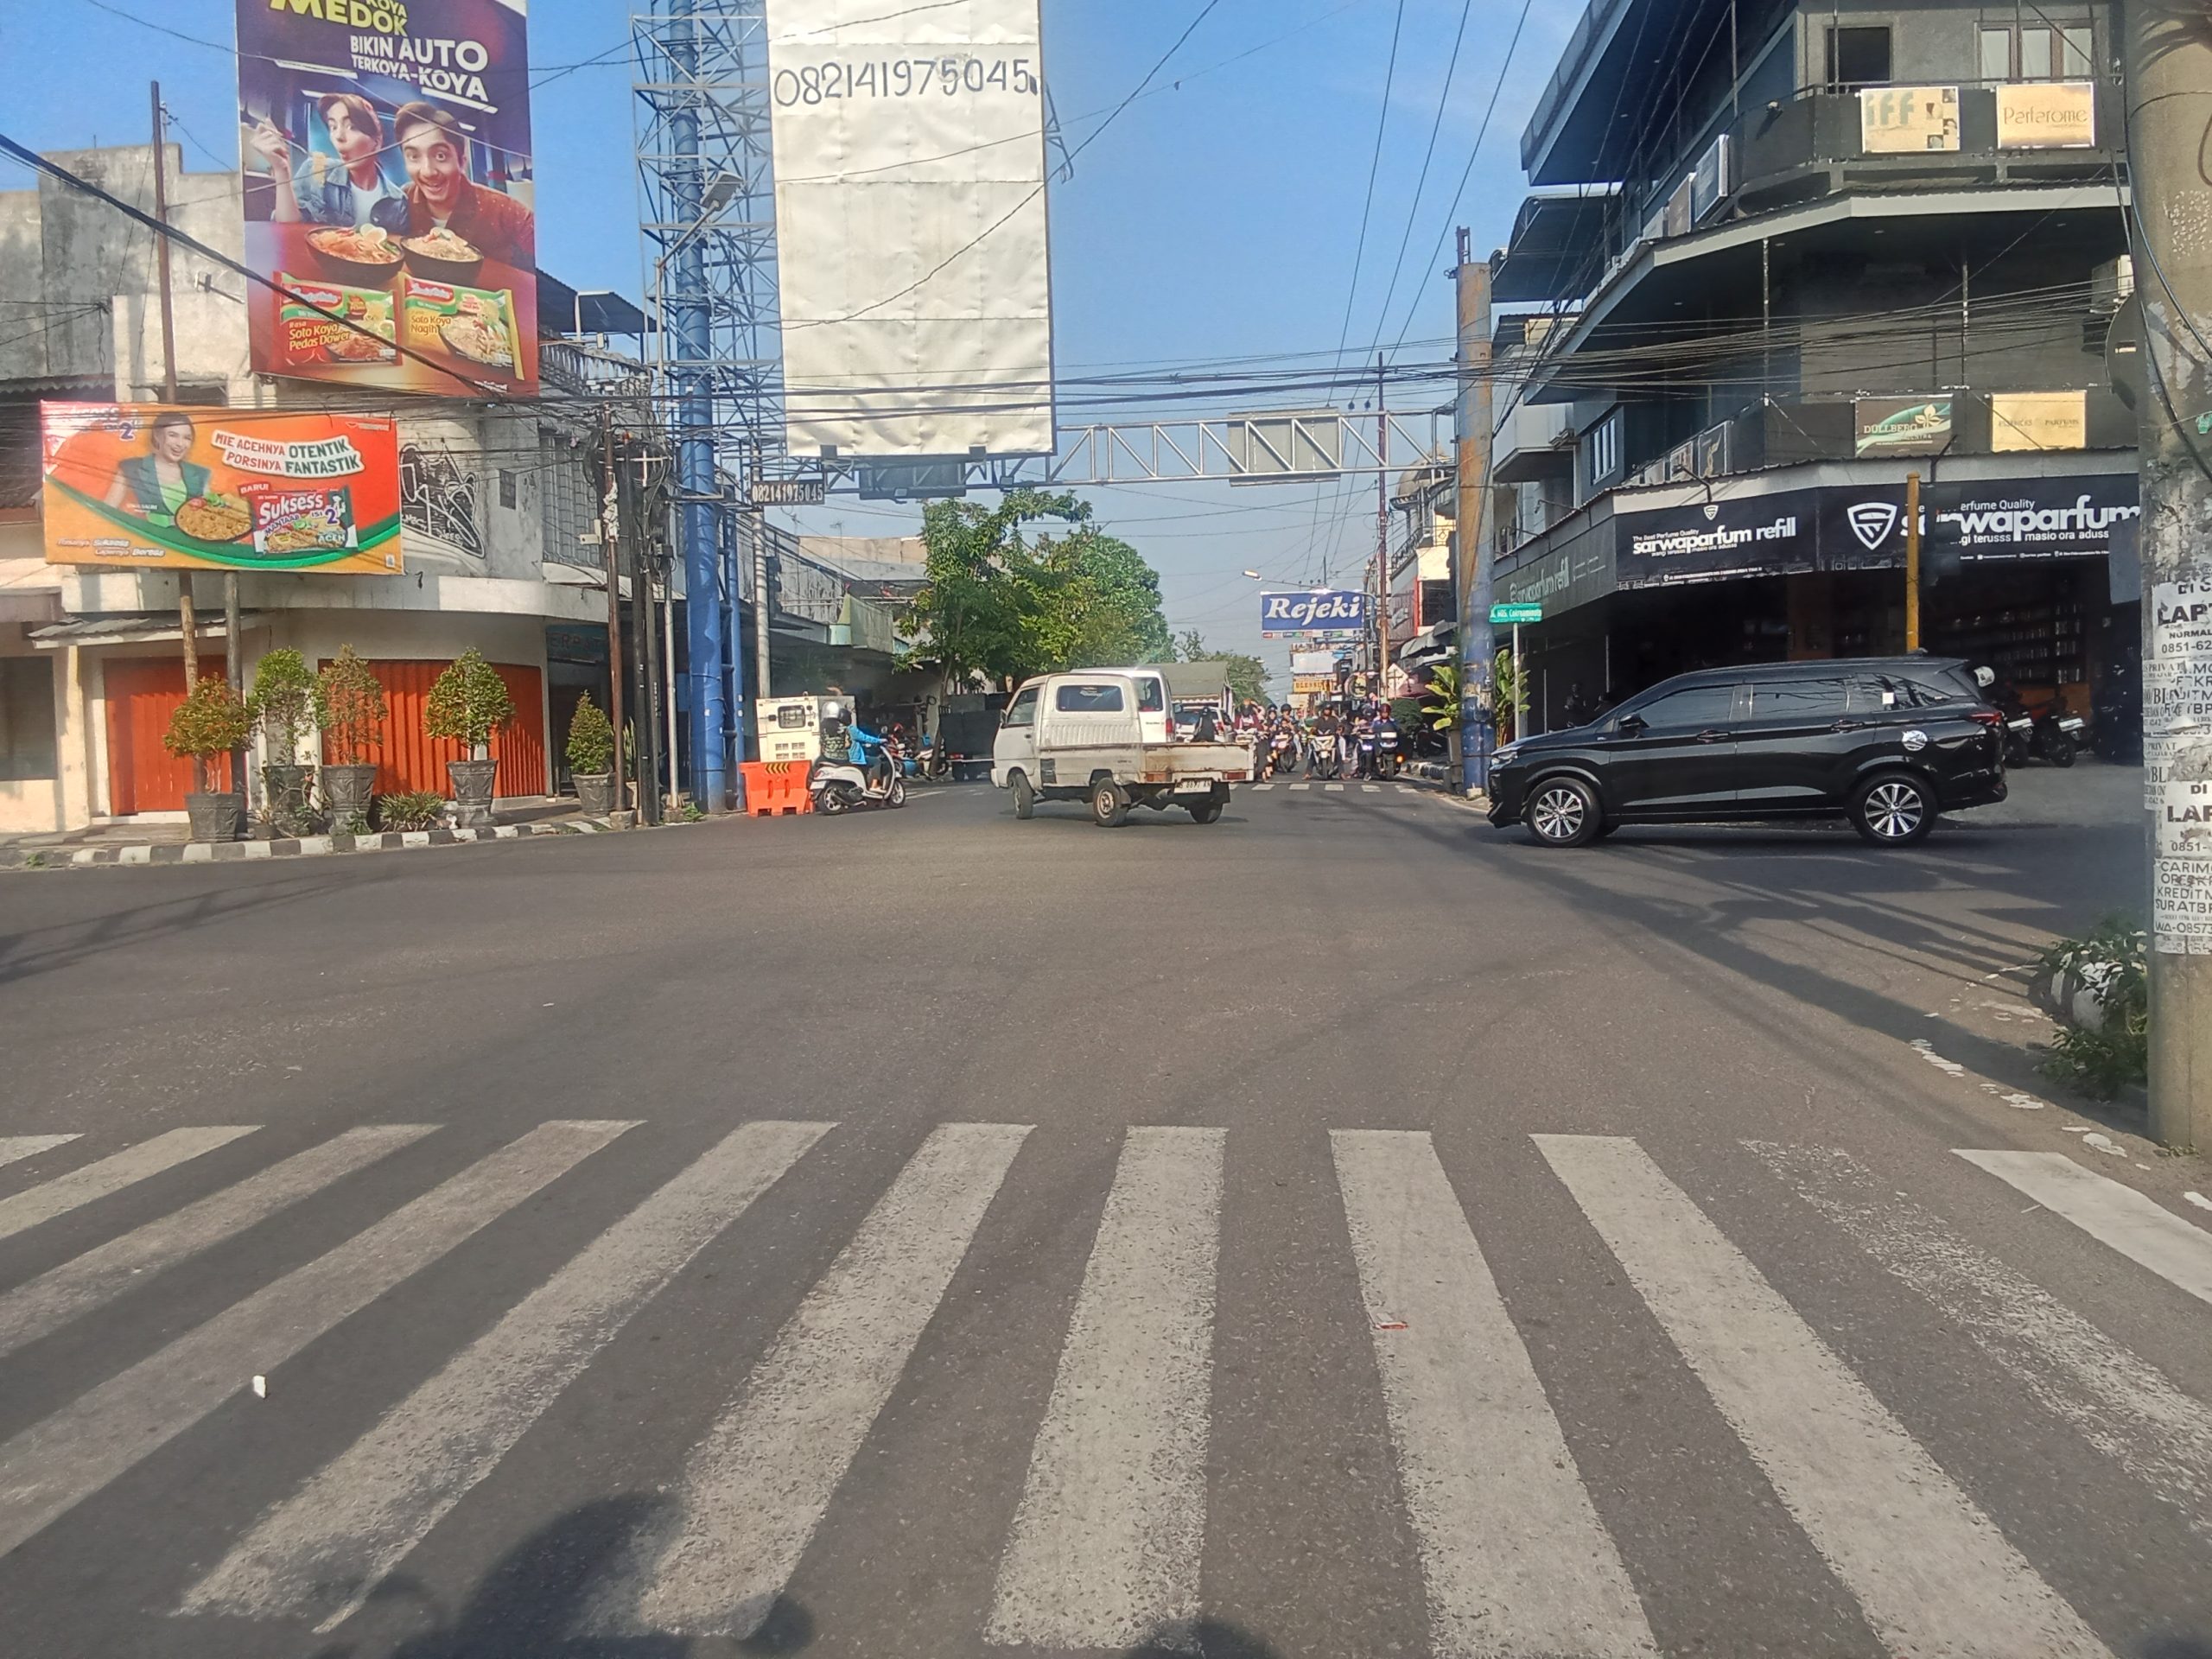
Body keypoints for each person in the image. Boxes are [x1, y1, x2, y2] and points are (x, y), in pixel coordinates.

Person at [391, 100, 535, 266]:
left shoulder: (504, 209)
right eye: (414, 156)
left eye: (440, 156)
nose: (428, 172)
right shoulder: (399, 203)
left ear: (462, 161)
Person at [251, 93, 406, 232]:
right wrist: (281, 170)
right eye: (333, 127)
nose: (338, 136)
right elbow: (288, 229)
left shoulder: (398, 200)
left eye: (351, 127)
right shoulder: (316, 171)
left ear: (376, 142)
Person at [105, 411, 208, 529]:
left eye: (187, 438)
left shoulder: (200, 474)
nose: (180, 444)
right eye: (173, 435)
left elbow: (211, 515)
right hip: (147, 540)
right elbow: (106, 512)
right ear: (157, 436)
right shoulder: (131, 468)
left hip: (188, 543)